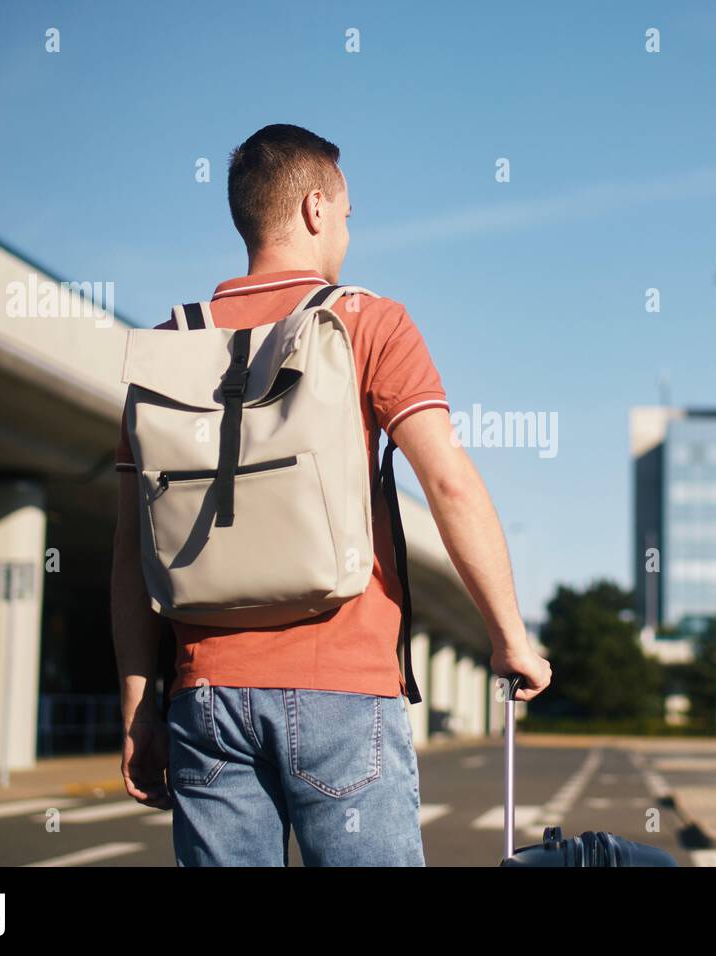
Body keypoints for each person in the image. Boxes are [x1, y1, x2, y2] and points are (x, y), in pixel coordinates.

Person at [110, 123, 551, 866]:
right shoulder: (366, 321)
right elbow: (447, 480)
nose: (347, 228)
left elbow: (131, 554)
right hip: (343, 690)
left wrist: (138, 709)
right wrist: (508, 634)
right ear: (316, 209)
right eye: (347, 213)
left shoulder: (163, 351)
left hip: (205, 694)